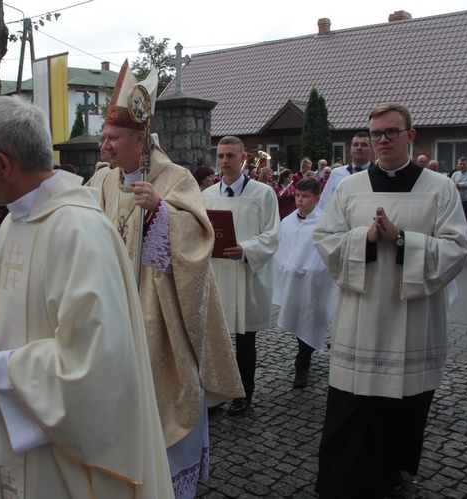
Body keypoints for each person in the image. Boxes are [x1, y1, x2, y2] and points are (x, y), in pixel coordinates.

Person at [0, 95, 173, 499]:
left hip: (62, 451)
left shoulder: (79, 230)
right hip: (13, 417)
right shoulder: (15, 222)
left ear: (4, 163)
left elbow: (96, 358)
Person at [91, 61, 243, 496]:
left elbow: (199, 238)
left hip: (157, 311)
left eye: (112, 138)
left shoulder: (174, 178)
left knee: (164, 393)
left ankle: (168, 477)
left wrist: (160, 211)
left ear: (139, 138)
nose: (104, 145)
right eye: (103, 137)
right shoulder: (102, 181)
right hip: (111, 308)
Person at [313, 102, 467, 497]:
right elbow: (326, 239)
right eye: (376, 133)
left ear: (410, 135)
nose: (382, 140)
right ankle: (343, 479)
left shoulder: (441, 188)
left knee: (401, 405)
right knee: (351, 403)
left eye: (391, 132)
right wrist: (364, 237)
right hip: (360, 317)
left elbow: (457, 248)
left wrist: (401, 240)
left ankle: (388, 474)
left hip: (410, 319)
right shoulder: (349, 188)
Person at [202, 136, 281, 413]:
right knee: (215, 338)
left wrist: (246, 249)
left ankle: (243, 393)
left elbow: (272, 234)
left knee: (246, 340)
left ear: (242, 158)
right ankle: (215, 393)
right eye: (221, 156)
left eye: (230, 156)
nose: (224, 161)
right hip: (218, 273)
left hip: (246, 272)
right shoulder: (207, 196)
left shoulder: (263, 194)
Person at [272, 177, 335, 388]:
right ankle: (303, 357)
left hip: (314, 282)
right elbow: (283, 247)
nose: (300, 200)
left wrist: (314, 268)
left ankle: (303, 364)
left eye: (306, 196)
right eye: (298, 195)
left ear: (317, 198)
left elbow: (325, 252)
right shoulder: (288, 221)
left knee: (310, 320)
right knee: (298, 317)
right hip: (293, 281)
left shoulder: (324, 223)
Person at [318, 132, 373, 210]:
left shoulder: (378, 174)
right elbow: (324, 204)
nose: (359, 148)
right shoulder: (337, 174)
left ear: (371, 149)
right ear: (350, 149)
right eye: (355, 144)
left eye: (364, 145)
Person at [451, 157, 467, 250]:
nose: (462, 166)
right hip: (457, 201)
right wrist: (457, 184)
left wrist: (457, 184)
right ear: (457, 165)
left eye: (464, 164)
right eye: (460, 164)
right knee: (456, 223)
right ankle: (458, 244)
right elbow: (451, 184)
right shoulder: (455, 174)